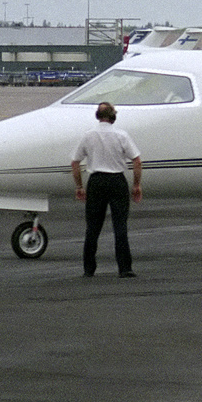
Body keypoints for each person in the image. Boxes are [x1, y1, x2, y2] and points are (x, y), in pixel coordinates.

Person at [71, 101, 143, 278]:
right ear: (113, 116)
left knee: (93, 227)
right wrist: (136, 184)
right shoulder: (121, 135)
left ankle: (89, 268)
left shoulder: (88, 136)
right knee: (120, 226)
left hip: (96, 181)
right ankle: (125, 267)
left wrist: (79, 186)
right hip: (117, 180)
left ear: (97, 116)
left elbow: (75, 162)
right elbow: (137, 160)